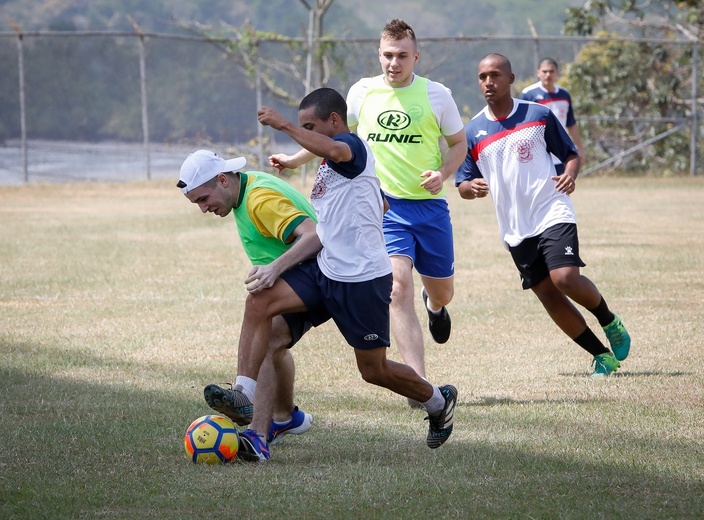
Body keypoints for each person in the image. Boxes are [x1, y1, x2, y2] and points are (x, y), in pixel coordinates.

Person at [204, 87, 458, 461]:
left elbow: (338, 152)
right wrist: (278, 266)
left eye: (312, 125)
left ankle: (439, 400)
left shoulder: (350, 147)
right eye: (303, 125)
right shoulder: (330, 169)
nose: (307, 132)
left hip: (361, 281)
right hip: (325, 270)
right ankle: (248, 409)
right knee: (261, 304)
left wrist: (286, 125)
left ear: (334, 122)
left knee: (373, 370)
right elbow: (324, 229)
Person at [455, 53, 631, 377]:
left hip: (551, 207)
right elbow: (462, 182)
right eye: (483, 77)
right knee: (548, 294)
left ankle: (609, 319)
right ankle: (602, 356)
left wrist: (571, 174)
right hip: (514, 227)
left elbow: (570, 154)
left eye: (495, 75)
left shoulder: (538, 114)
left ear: (511, 78)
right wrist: (470, 188)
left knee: (564, 278)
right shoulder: (473, 131)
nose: (489, 82)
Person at [345, 19, 468, 388]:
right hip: (385, 207)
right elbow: (334, 136)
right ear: (378, 55)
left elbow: (459, 144)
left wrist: (443, 174)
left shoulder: (437, 95)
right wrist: (292, 157)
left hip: (429, 209)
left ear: (416, 56)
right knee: (397, 287)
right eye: (387, 55)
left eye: (401, 55)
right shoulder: (362, 92)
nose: (393, 63)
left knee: (442, 289)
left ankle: (436, 307)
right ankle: (421, 385)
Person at [177, 149, 318, 461]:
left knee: (376, 370)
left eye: (203, 199)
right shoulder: (246, 190)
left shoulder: (258, 199)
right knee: (269, 340)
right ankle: (279, 420)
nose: (203, 209)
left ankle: (245, 396)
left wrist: (275, 268)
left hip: (326, 278)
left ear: (223, 180)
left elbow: (313, 235)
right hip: (311, 276)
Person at [520, 57, 585, 170]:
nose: (548, 75)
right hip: (538, 151)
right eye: (544, 71)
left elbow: (571, 123)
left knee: (561, 186)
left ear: (557, 73)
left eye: (551, 71)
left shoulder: (564, 94)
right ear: (538, 73)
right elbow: (521, 125)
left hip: (560, 150)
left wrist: (580, 148)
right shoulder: (529, 94)